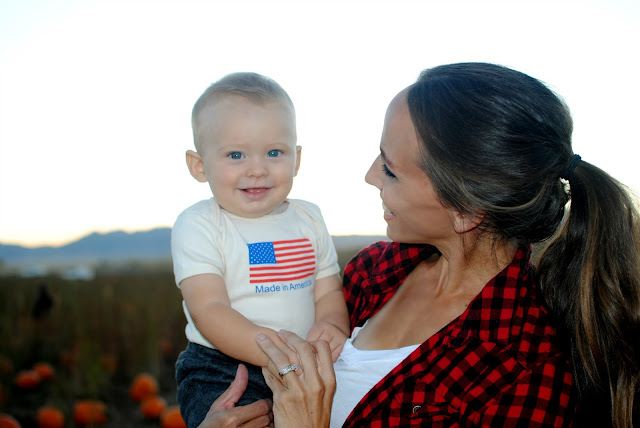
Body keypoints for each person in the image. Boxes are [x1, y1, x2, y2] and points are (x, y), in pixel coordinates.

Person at [199, 63, 640, 428]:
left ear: (465, 210)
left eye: (391, 170)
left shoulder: (523, 375)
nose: (370, 176)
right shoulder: (372, 274)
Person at [171, 72, 350, 428]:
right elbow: (210, 308)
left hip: (305, 359)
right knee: (239, 419)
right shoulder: (200, 224)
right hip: (223, 366)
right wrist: (277, 354)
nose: (257, 169)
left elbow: (327, 291)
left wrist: (333, 325)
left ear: (297, 158)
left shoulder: (308, 218)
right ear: (199, 165)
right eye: (236, 155)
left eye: (274, 152)